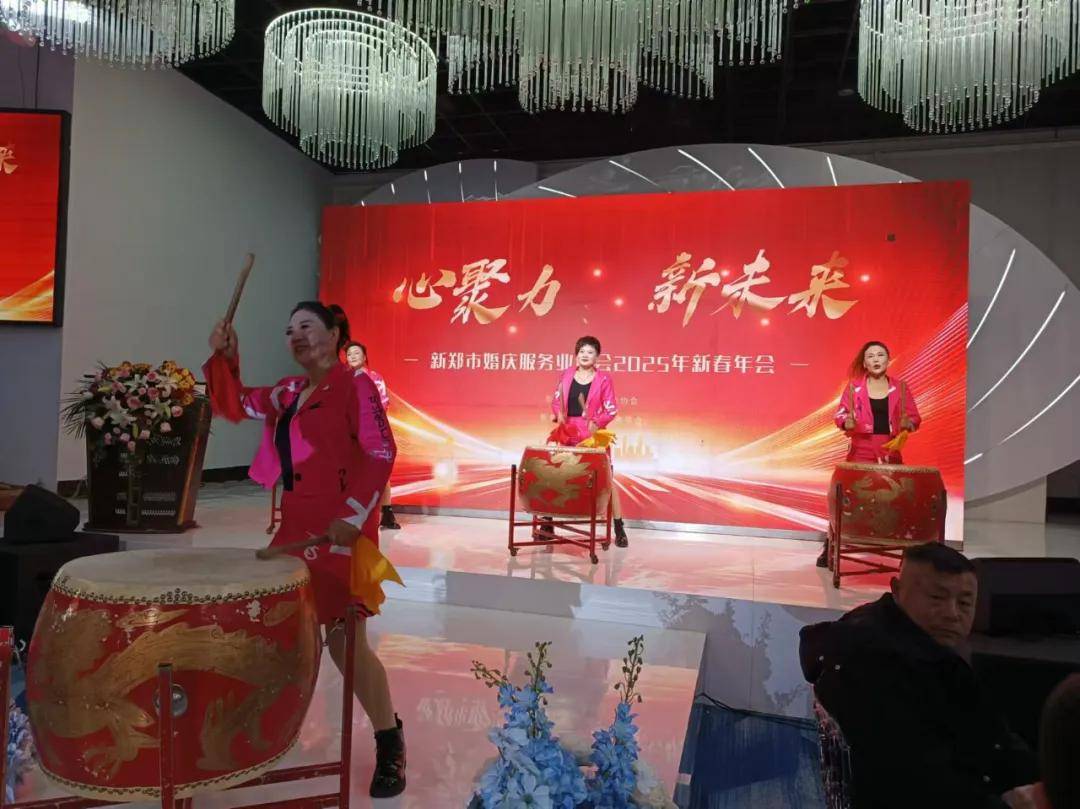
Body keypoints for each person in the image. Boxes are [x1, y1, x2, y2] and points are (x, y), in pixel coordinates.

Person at [204, 303, 406, 798]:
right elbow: (237, 405)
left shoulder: (357, 386)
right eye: (289, 329)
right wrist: (227, 359)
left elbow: (382, 452)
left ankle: (390, 740)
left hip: (342, 530)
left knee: (344, 643)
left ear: (335, 334)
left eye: (307, 327)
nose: (295, 335)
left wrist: (353, 516)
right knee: (273, 631)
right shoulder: (290, 391)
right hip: (296, 529)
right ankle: (261, 735)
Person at [800, 543, 1039, 809]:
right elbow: (917, 782)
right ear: (896, 589)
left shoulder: (916, 648)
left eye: (964, 603)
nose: (952, 614)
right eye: (937, 598)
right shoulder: (877, 663)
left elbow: (987, 735)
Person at [818, 340, 922, 566]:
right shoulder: (854, 388)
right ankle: (830, 547)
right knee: (846, 498)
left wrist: (909, 424)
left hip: (890, 449)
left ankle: (905, 556)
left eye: (880, 355)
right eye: (871, 356)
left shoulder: (901, 388)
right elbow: (840, 415)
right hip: (861, 450)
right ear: (864, 363)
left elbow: (915, 418)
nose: (876, 359)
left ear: (888, 360)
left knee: (899, 499)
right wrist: (846, 422)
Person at [549, 335, 628, 547]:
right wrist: (559, 414)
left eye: (590, 352)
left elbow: (611, 409)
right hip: (567, 430)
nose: (585, 355)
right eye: (582, 351)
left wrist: (597, 422)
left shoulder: (603, 379)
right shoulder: (566, 374)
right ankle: (547, 523)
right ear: (576, 355)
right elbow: (556, 401)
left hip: (592, 434)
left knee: (606, 479)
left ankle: (619, 527)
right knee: (557, 475)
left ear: (597, 356)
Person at [344, 341, 399, 530]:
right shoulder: (342, 379)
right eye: (349, 354)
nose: (352, 356)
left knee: (380, 472)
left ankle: (387, 513)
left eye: (356, 353)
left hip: (372, 433)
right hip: (349, 434)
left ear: (364, 357)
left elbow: (382, 405)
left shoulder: (375, 378)